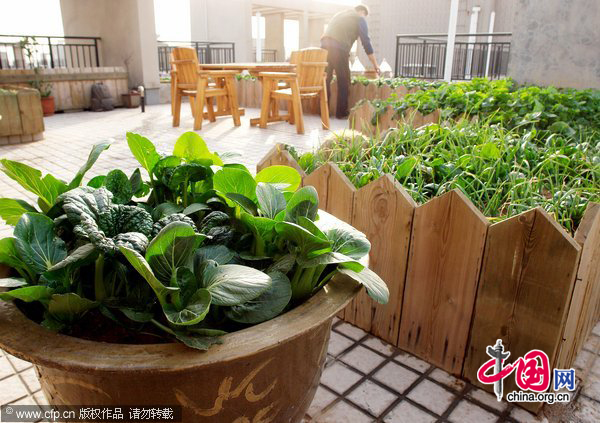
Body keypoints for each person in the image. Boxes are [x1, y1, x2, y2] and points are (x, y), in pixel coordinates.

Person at [321, 4, 380, 119]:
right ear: (362, 12)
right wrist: (375, 64)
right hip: (339, 48)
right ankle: (341, 113)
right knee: (344, 80)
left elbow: (326, 33)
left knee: (325, 80)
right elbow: (366, 42)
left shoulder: (339, 15)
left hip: (324, 47)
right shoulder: (359, 18)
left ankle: (324, 111)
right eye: (365, 16)